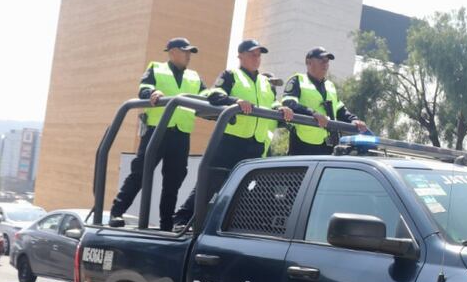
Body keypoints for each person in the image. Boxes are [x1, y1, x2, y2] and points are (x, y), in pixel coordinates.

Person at [171, 39, 294, 230]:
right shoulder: (230, 75)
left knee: (244, 188)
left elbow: (272, 103)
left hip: (255, 143)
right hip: (230, 142)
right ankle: (182, 220)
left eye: (259, 55)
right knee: (211, 183)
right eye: (252, 54)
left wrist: (281, 108)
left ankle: (226, 225)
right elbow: (214, 95)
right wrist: (236, 101)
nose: (256, 58)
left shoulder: (265, 82)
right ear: (240, 56)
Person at [109, 37, 203, 230]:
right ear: (172, 52)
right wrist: (153, 93)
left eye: (190, 52)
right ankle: (116, 212)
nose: (188, 55)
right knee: (140, 173)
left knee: (173, 181)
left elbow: (206, 95)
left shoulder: (194, 76)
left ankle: (166, 224)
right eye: (185, 51)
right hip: (157, 131)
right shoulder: (157, 68)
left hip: (181, 133)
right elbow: (144, 87)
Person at [281, 47, 368, 155]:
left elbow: (340, 110)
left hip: (328, 145)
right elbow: (289, 103)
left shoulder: (330, 85)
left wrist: (354, 120)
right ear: (308, 62)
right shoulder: (298, 80)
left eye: (327, 61)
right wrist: (313, 113)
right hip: (303, 144)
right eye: (321, 60)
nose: (325, 64)